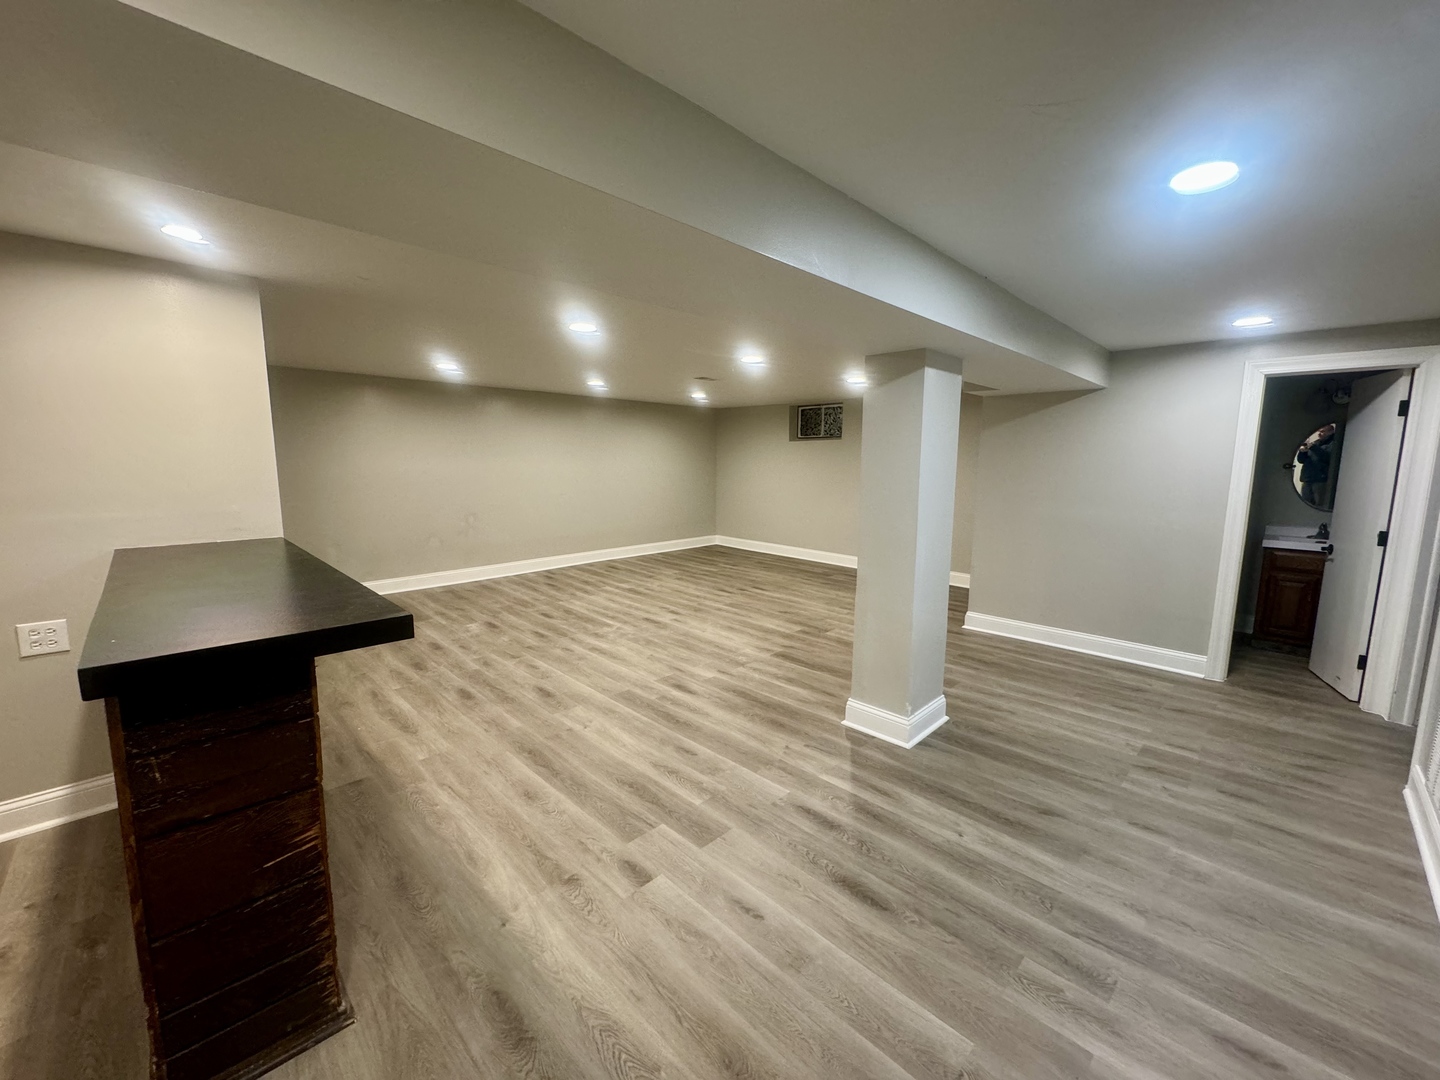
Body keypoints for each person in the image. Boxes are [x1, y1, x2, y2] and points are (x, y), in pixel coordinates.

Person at [1296, 424, 1337, 507]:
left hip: (1321, 480)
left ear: (1331, 432)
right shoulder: (1316, 443)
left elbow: (1327, 457)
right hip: (1307, 479)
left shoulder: (1334, 444)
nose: (1319, 434)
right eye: (1319, 431)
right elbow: (1301, 460)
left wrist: (1313, 448)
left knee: (1319, 505)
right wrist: (1302, 452)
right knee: (1305, 505)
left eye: (1322, 431)